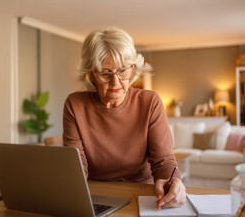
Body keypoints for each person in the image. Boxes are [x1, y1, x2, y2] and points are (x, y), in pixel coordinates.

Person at [63, 27, 186, 208]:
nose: (116, 82)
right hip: (95, 195)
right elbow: (77, 166)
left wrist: (172, 184)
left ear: (133, 69)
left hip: (142, 194)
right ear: (91, 75)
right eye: (105, 73)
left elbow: (164, 162)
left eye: (122, 71)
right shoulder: (75, 104)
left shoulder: (150, 102)